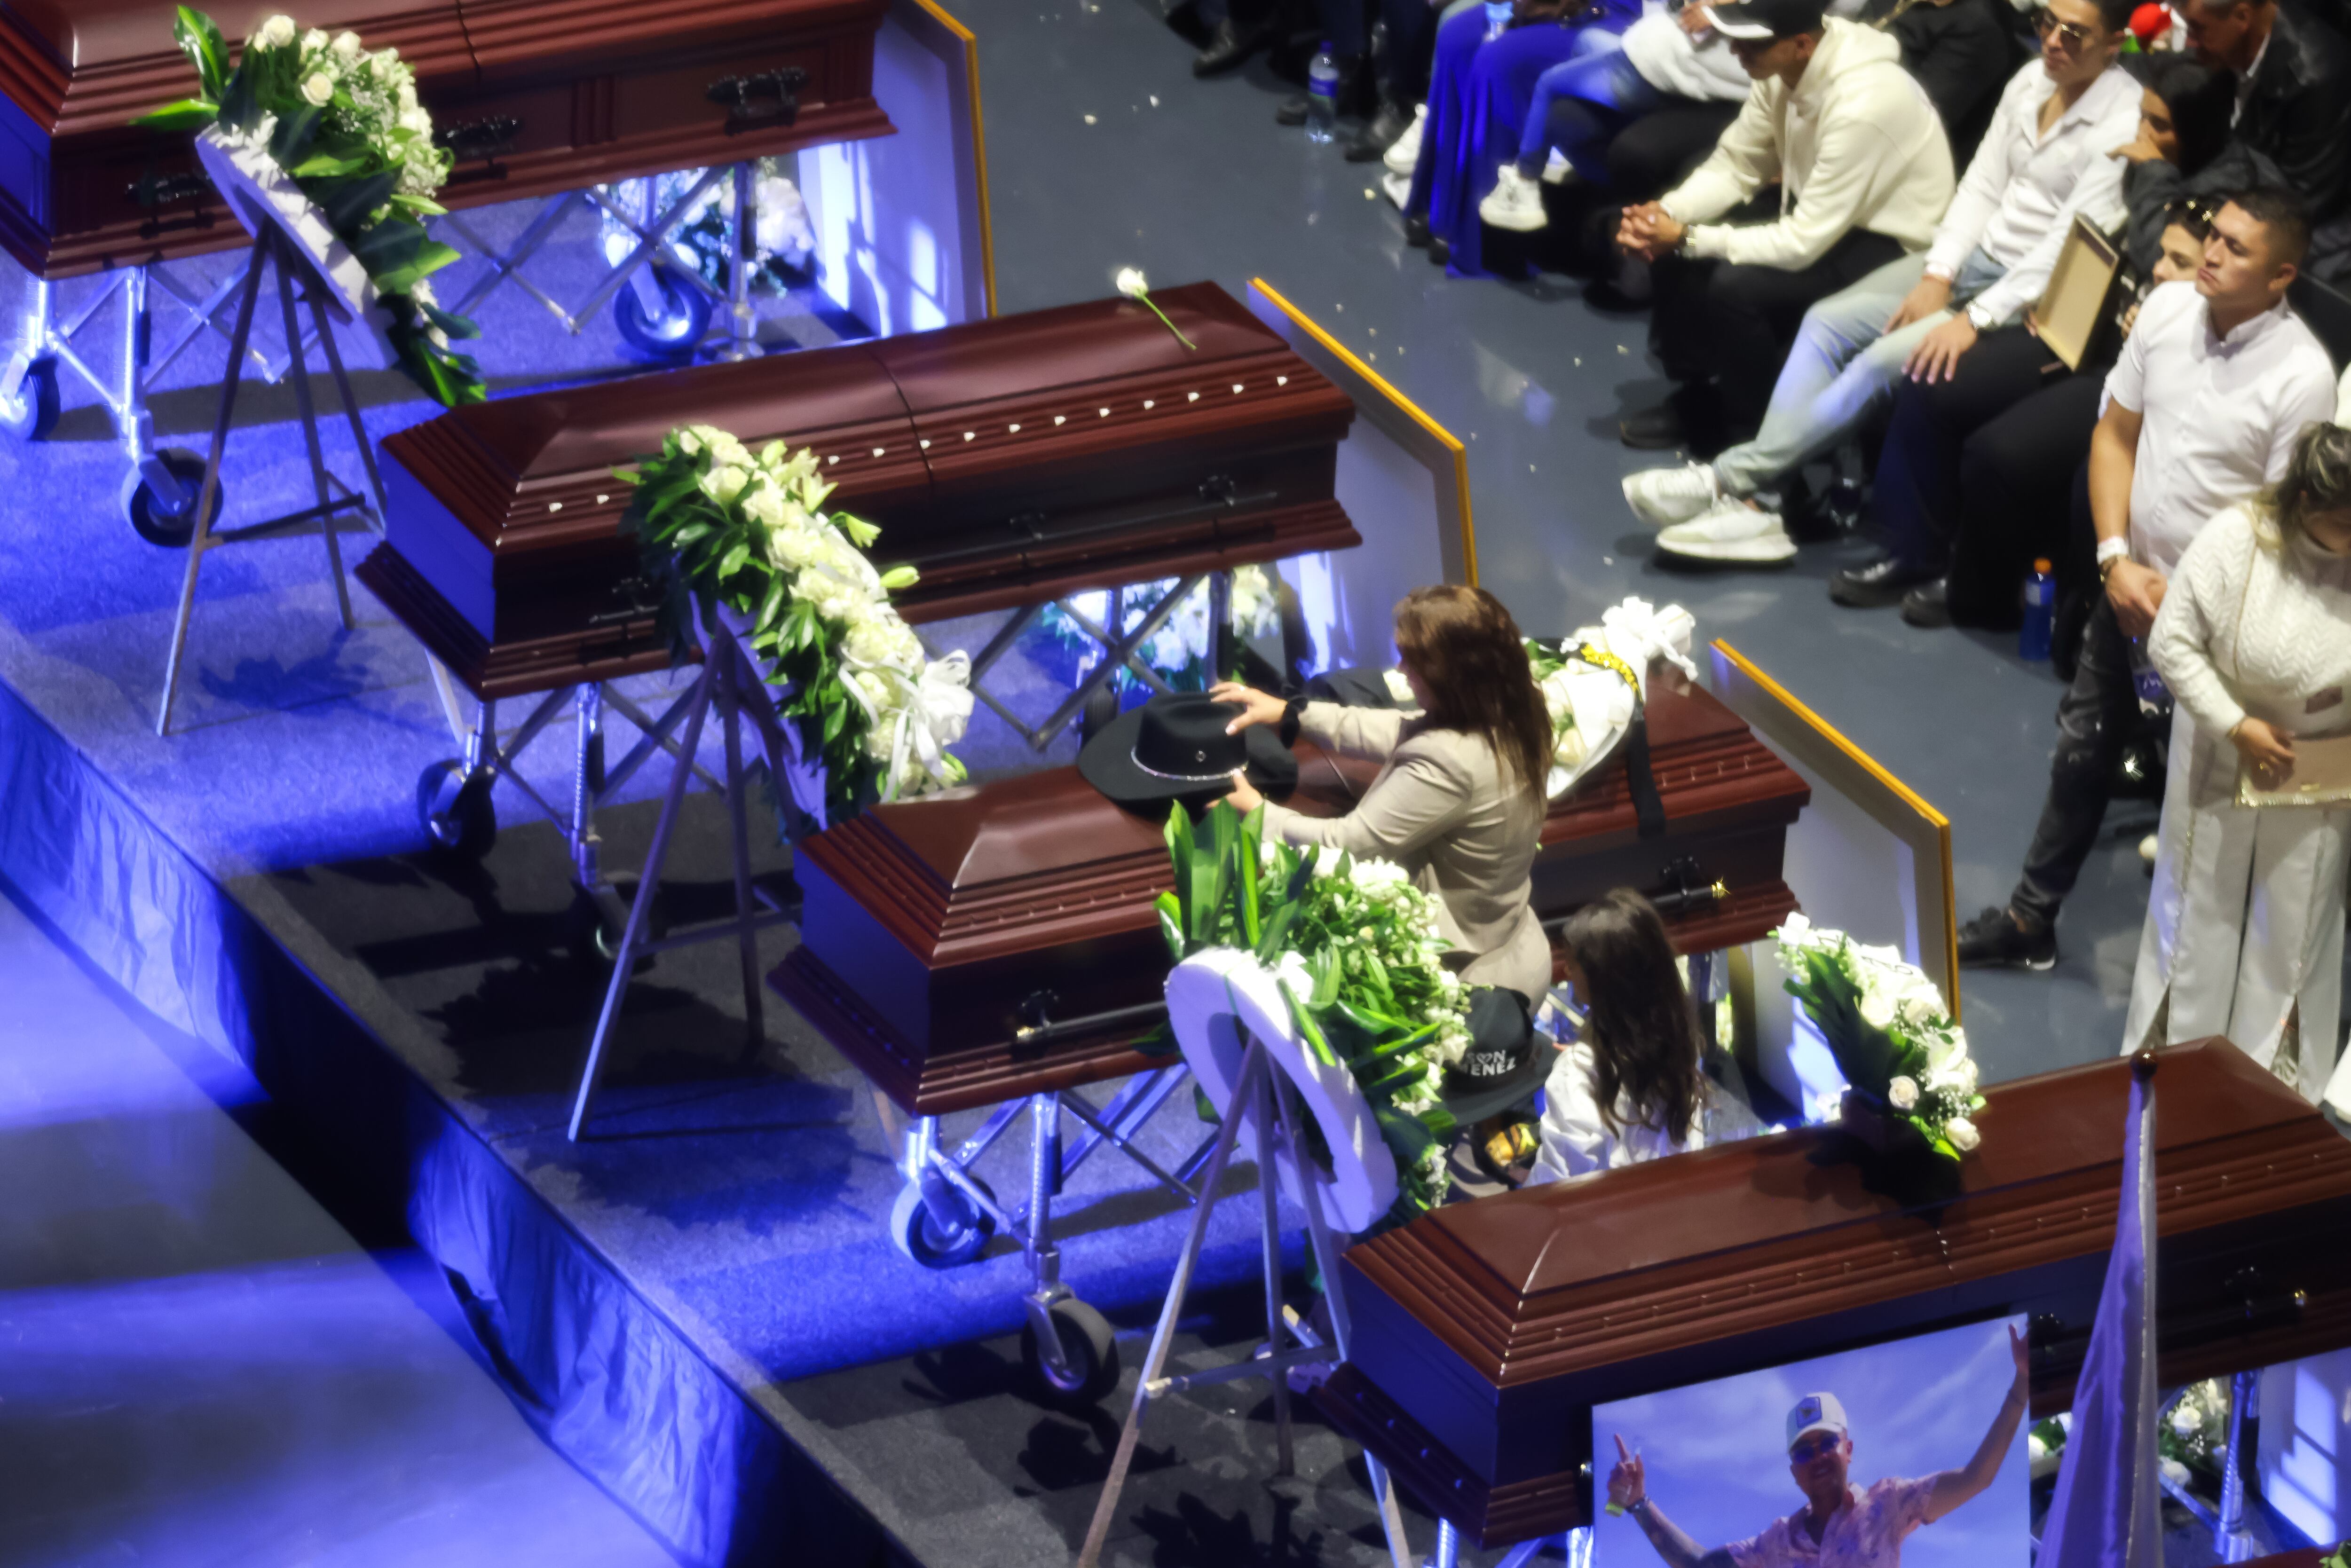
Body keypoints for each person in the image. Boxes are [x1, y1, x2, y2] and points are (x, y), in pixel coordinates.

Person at [1956, 189, 2337, 971]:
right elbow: (2114, 436)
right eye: (2215, 237)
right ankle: (2033, 918)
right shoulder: (2165, 312)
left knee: (2209, 793)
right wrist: (2114, 558)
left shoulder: (2302, 379)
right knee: (2083, 747)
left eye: (2236, 248)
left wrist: (2184, 607)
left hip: (2220, 627)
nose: (2213, 253)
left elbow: (2278, 527)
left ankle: (2218, 976)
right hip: (2130, 591)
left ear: (2283, 275)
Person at [1621, 0, 2137, 567]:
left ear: (2115, 42)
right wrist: (1938, 275)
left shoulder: (2122, 122)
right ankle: (1762, 501)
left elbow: (2067, 245)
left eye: (2074, 33)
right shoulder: (2029, 79)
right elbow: (1981, 187)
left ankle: (1730, 481)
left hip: (2031, 292)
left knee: (1878, 362)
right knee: (1825, 322)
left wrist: (1976, 318)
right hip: (1969, 255)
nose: (2052, 41)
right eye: (2044, 22)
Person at [2126, 422, 2351, 1116]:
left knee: (2295, 925)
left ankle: (2268, 1092)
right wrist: (2238, 726)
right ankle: (2180, 1071)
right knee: (2202, 914)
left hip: (2320, 764)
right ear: (2307, 503)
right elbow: (2172, 643)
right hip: (2225, 748)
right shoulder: (2235, 539)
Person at [1612, 0, 1956, 455]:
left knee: (1736, 288)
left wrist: (1690, 238)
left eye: (1752, 43)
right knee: (1678, 246)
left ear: (1800, 45)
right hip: (1827, 212)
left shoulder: (1864, 102)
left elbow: (1801, 243)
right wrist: (1665, 215)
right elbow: (1737, 165)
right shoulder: (1780, 72)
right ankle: (1696, 398)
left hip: (1894, 241)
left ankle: (1748, 436)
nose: (1735, 50)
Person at [1212, 584, 1554, 1007]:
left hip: (1472, 974)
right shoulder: (1517, 709)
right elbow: (1402, 729)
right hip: (1511, 930)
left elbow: (1348, 843)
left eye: (1414, 660)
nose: (1401, 667)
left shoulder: (1452, 763)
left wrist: (1255, 811)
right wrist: (1292, 714)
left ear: (1452, 678)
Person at [1606, 1327, 2031, 1568]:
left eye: (1827, 1442)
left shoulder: (1890, 1505)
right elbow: (1699, 1565)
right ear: (1794, 1471)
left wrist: (2022, 1385)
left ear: (1849, 1449)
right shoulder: (1775, 1544)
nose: (1818, 1457)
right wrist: (1640, 1504)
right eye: (1803, 1452)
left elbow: (1978, 1477)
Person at [1403, 0, 1643, 275]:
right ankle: (1445, 211)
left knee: (1501, 59)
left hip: (1616, 16)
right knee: (1457, 36)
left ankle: (1492, 239)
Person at [1527, 888, 1709, 1182]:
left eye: (1574, 962)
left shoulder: (1575, 1074)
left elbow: (1560, 1182)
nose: (1566, 969)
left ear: (1604, 977)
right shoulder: (1680, 1040)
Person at [2178, 0, 2351, 280]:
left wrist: (2203, 225)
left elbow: (2296, 209)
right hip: (2223, 202)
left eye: (2198, 29)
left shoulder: (2314, 79)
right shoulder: (2224, 50)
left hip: (2285, 237)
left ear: (2242, 17)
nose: (2190, 42)